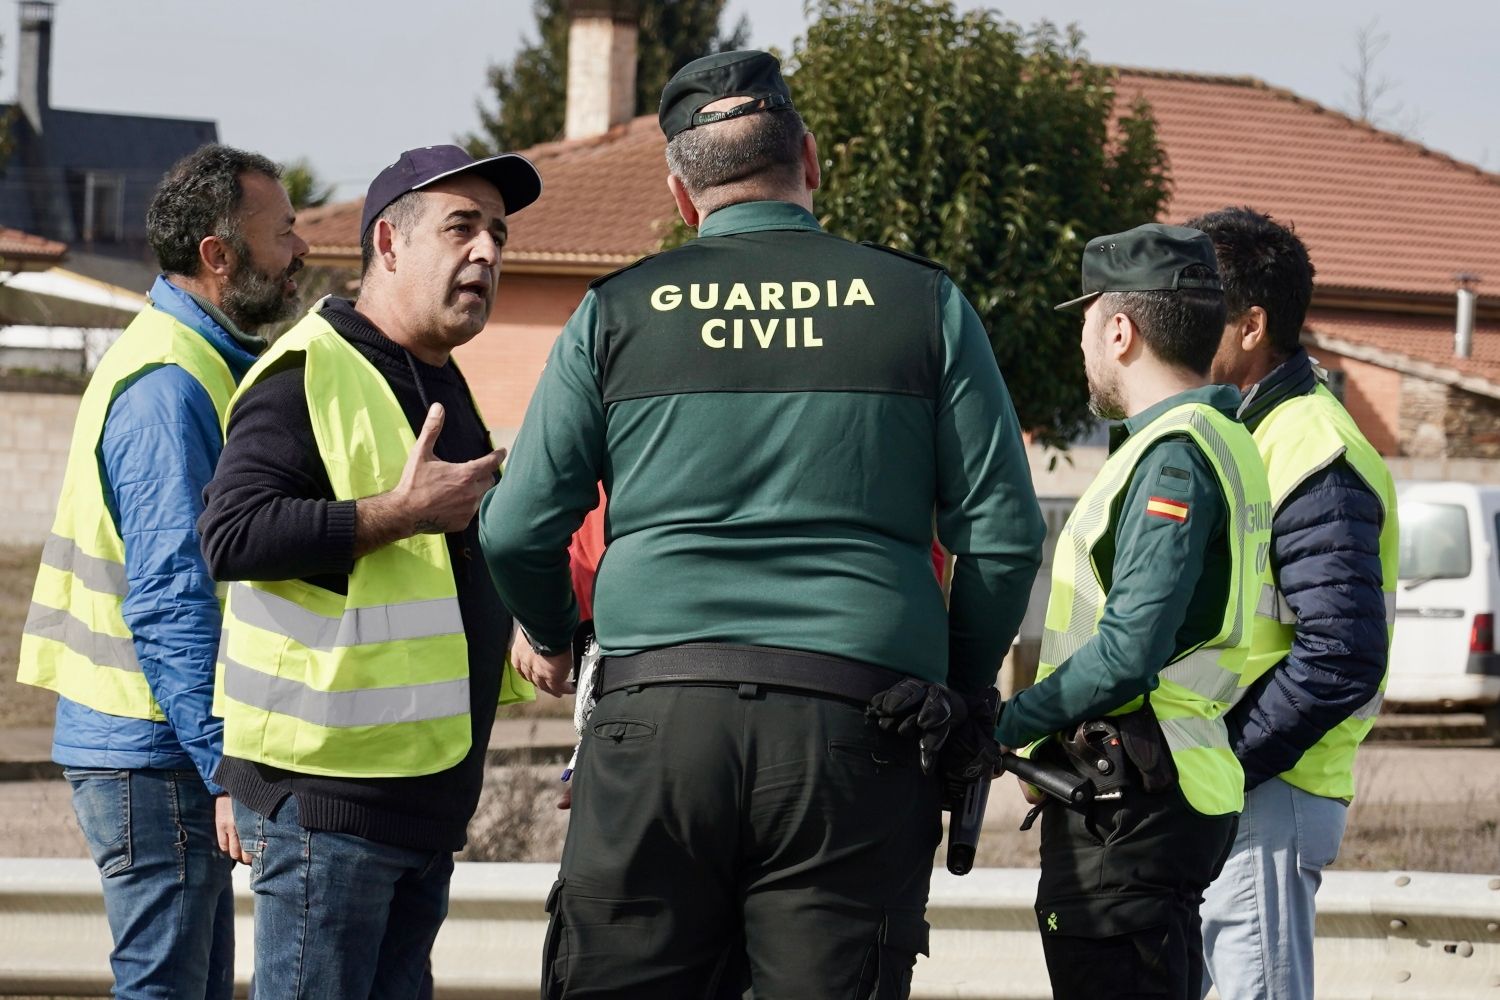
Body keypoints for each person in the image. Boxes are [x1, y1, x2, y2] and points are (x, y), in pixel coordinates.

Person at [480, 49, 1044, 1000]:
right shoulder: (923, 303)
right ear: (811, 161)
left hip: (653, 725)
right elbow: (1004, 532)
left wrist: (554, 628)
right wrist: (958, 686)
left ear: (681, 189)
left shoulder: (614, 312)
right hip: (859, 730)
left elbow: (516, 529)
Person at [197, 144, 541, 998]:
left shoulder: (436, 377)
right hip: (329, 812)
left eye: (497, 233)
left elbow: (442, 562)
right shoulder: (309, 372)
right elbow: (231, 534)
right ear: (388, 242)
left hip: (418, 807)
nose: (489, 253)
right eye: (462, 228)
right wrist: (397, 512)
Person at [16, 144, 307, 998]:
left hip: (153, 744)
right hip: (153, 750)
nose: (298, 251)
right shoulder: (169, 385)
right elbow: (174, 599)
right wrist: (226, 769)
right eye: (282, 232)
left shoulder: (198, 361)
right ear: (219, 256)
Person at [995, 223, 1274, 1000]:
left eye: (1086, 322)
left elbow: (1127, 649)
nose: (1083, 343)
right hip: (1167, 784)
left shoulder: (1174, 456)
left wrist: (1011, 725)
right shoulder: (1223, 436)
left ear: (1119, 330)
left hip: (1129, 803)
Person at [1192, 207, 1397, 1000]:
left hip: (1267, 786)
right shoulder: (1240, 432)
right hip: (1242, 786)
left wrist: (1224, 761)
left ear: (1250, 325)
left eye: (1196, 300)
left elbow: (1341, 651)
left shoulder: (1313, 442)